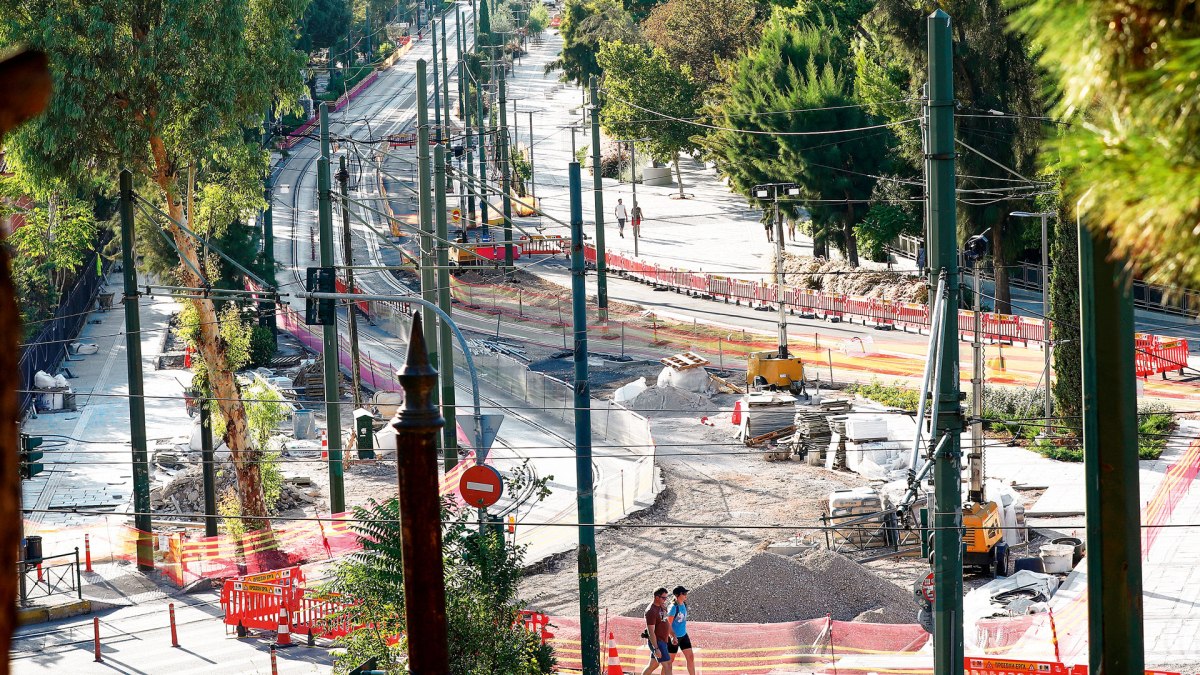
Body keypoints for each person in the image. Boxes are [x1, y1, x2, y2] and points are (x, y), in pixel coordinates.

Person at [641, 587, 673, 674]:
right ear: (657, 597)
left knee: (653, 665)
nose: (665, 600)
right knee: (668, 665)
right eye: (663, 598)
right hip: (658, 642)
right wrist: (656, 648)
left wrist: (672, 635)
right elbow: (651, 632)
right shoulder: (651, 611)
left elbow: (665, 621)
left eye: (666, 598)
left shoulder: (661, 606)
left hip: (662, 640)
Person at [667, 586, 695, 675]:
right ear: (677, 595)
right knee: (669, 662)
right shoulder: (673, 607)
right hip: (674, 638)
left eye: (686, 593)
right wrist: (672, 636)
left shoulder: (684, 604)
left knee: (690, 658)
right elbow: (668, 624)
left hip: (683, 635)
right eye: (684, 593)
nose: (686, 595)